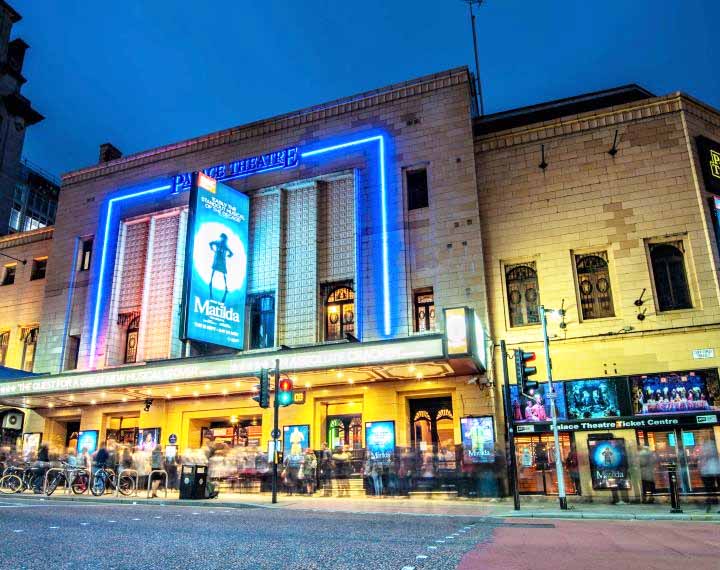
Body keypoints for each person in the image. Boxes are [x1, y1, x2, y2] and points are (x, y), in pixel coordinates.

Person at [209, 233, 233, 303]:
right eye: (223, 238)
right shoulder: (218, 242)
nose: (223, 240)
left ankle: (226, 286)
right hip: (219, 259)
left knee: (223, 273)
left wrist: (229, 255)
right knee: (214, 271)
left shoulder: (224, 245)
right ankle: (211, 282)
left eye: (224, 239)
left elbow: (231, 253)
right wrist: (212, 249)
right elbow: (210, 243)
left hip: (221, 260)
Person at [699, 439, 720, 513]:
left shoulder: (712, 454)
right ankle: (710, 505)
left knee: (711, 491)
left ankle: (711, 506)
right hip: (708, 473)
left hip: (713, 472)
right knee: (710, 491)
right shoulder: (707, 454)